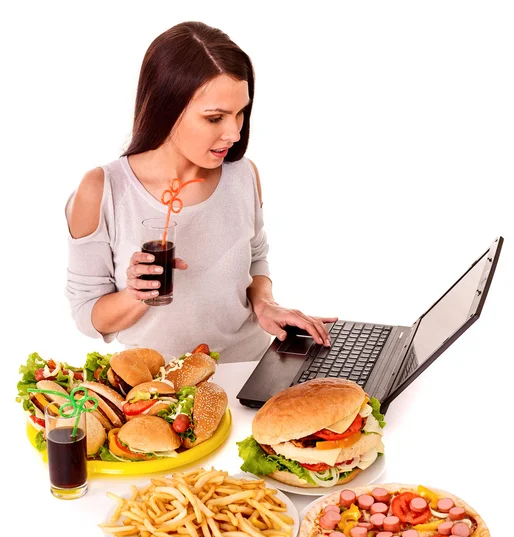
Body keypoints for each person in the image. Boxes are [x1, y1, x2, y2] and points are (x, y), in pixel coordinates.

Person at [65, 21, 337, 362]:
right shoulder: (102, 190)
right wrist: (135, 294)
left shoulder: (243, 175)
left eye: (240, 113)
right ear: (166, 108)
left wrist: (265, 303)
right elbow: (87, 315)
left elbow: (255, 258)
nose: (234, 134)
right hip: (158, 390)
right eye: (214, 118)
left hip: (247, 373)